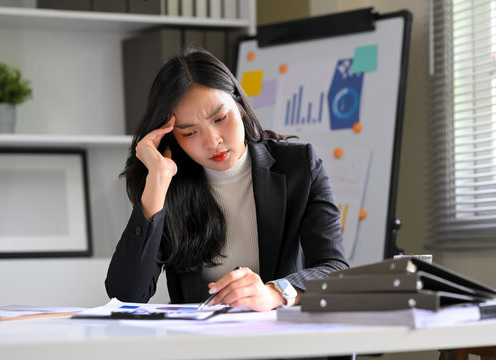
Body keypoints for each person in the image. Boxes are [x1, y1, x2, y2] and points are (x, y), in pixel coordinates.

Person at [105, 46, 349, 312]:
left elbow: (334, 269)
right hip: (203, 347)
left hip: (284, 343)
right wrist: (156, 184)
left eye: (220, 118)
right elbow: (125, 295)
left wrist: (275, 293)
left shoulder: (300, 167)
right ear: (170, 136)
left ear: (240, 107)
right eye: (189, 133)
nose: (212, 142)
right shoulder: (167, 183)